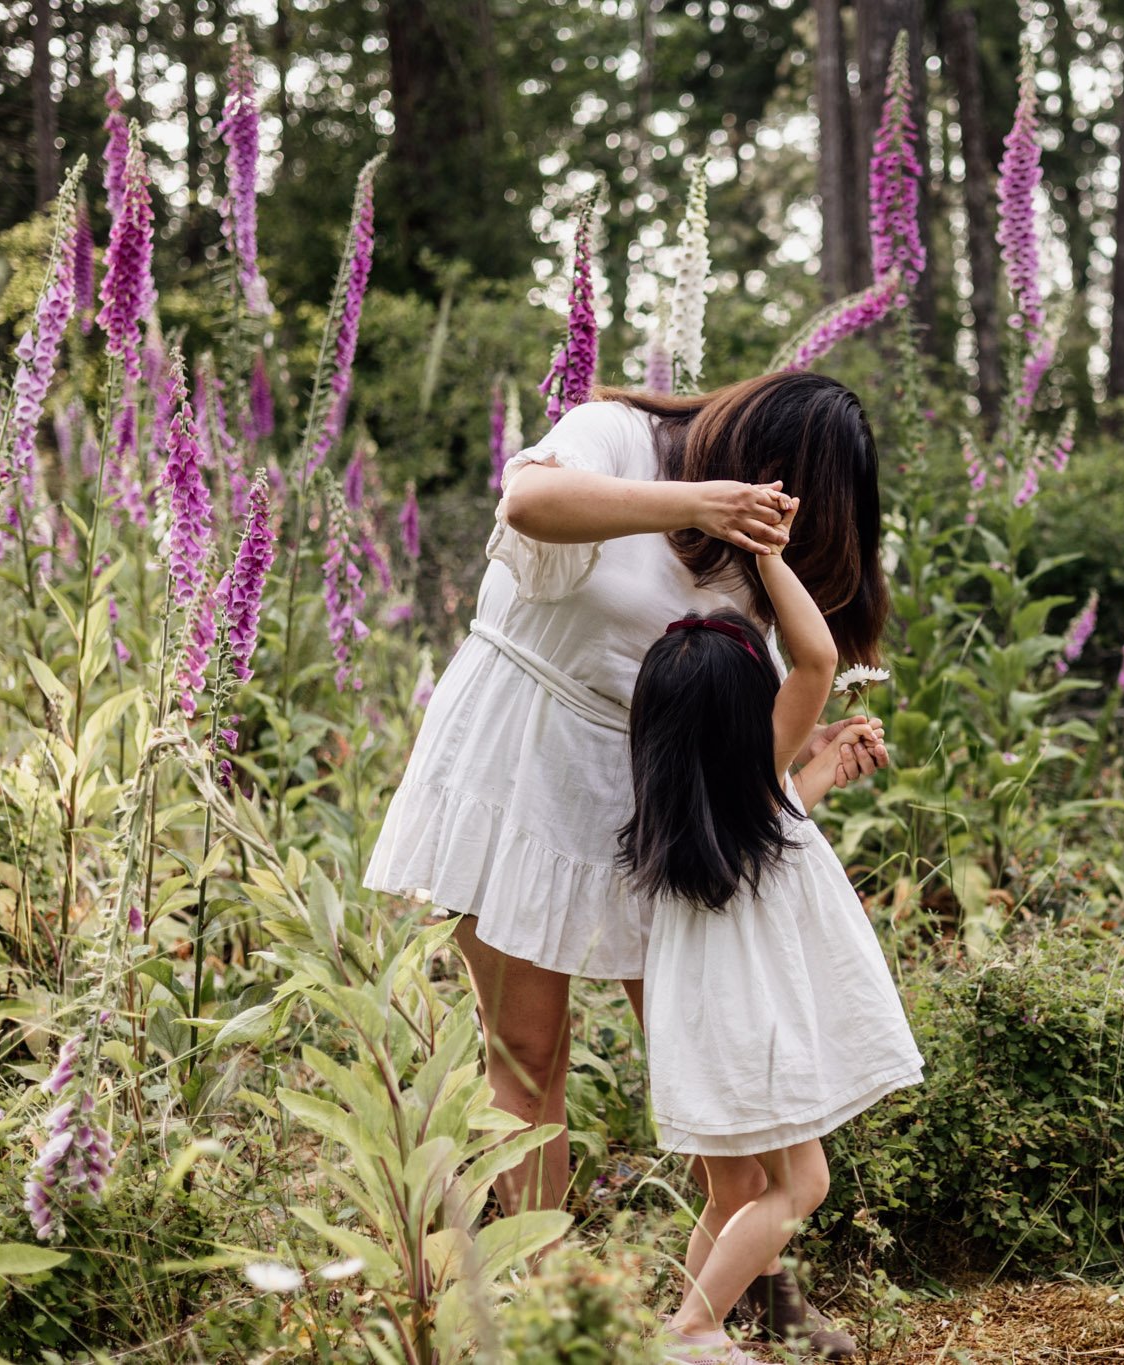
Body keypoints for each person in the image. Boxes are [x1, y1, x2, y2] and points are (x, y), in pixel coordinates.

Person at [363, 373, 890, 1357]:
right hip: (518, 766)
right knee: (527, 1056)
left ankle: (741, 1296)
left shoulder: (749, 566)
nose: (784, 519)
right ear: (755, 456)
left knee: (721, 1068)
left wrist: (806, 766)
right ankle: (537, 1312)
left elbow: (763, 722)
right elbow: (527, 502)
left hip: (654, 803)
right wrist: (699, 502)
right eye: (785, 492)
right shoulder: (618, 438)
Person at [619, 502, 922, 1365]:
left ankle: (689, 1325)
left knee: (737, 1194)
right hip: (758, 1021)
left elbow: (778, 825)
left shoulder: (679, 806)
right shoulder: (757, 776)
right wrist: (768, 555)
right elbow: (820, 657)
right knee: (802, 1182)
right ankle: (692, 1331)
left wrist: (820, 768)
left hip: (705, 1022)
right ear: (751, 714)